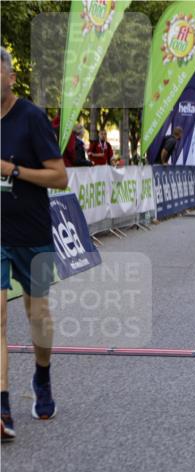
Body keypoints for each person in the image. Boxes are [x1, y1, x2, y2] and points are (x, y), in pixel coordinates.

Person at [1, 47, 69, 439]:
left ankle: (42, 377)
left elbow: (60, 178)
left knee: (38, 316)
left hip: (33, 233)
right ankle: (3, 408)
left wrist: (11, 170)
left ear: (10, 78)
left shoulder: (31, 118)